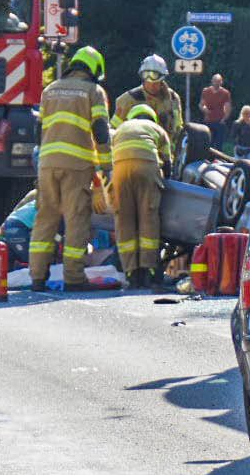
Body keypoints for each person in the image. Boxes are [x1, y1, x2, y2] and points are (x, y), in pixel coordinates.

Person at [31, 45, 111, 292]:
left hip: (47, 164)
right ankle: (74, 278)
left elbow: (40, 129)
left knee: (45, 218)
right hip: (76, 165)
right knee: (77, 220)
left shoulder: (50, 90)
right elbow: (100, 130)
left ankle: (37, 277)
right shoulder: (93, 91)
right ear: (95, 68)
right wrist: (106, 166)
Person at [110, 103, 172, 290]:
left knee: (124, 219)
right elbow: (168, 162)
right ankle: (148, 270)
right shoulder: (157, 129)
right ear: (151, 117)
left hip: (120, 168)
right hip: (146, 167)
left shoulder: (121, 129)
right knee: (148, 218)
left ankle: (130, 271)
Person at [113, 54, 184, 152]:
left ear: (162, 77)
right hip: (136, 153)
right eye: (146, 75)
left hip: (167, 155)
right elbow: (114, 130)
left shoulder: (173, 98)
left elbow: (178, 129)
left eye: (155, 76)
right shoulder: (128, 99)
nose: (150, 81)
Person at [200, 73, 232, 149]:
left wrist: (224, 119)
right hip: (208, 120)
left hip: (219, 121)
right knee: (207, 143)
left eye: (218, 81)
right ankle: (207, 159)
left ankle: (217, 160)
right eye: (215, 81)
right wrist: (204, 109)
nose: (216, 83)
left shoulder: (225, 93)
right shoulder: (206, 91)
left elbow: (228, 107)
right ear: (212, 81)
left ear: (221, 82)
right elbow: (201, 104)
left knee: (218, 145)